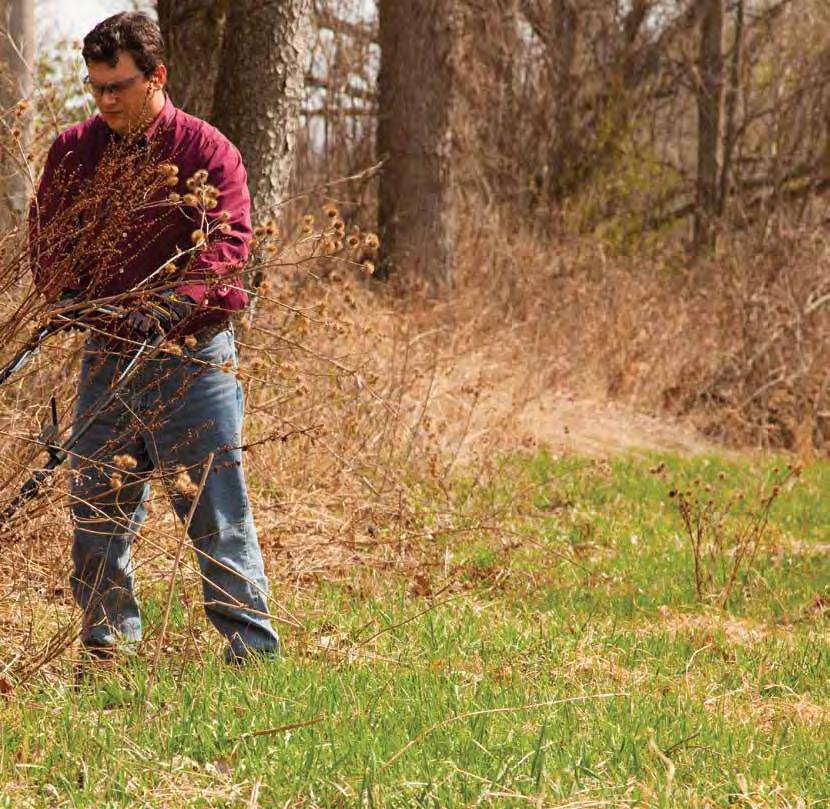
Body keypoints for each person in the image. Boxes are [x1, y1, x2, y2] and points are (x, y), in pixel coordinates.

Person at [28, 12, 280, 664]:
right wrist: (71, 297)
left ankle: (251, 657)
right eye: (97, 88)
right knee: (96, 516)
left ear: (157, 76)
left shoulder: (206, 152)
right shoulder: (74, 152)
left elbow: (228, 245)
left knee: (217, 519)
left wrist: (171, 306)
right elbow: (49, 240)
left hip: (192, 361)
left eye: (120, 86)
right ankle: (108, 652)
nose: (107, 100)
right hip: (107, 359)